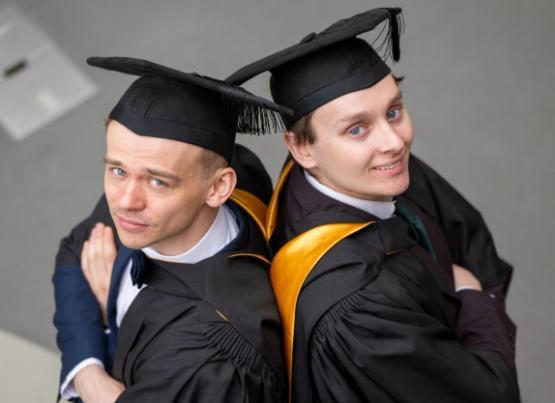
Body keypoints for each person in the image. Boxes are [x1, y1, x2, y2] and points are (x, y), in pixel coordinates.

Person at [226, 7, 520, 402]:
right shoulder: (358, 306)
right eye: (357, 128)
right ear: (301, 147)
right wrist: (474, 298)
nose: (394, 141)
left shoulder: (357, 170)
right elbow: (488, 394)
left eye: (394, 111)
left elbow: (466, 230)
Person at [52, 56, 288, 402]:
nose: (125, 201)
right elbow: (73, 253)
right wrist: (88, 370)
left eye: (158, 182)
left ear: (219, 187)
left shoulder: (214, 360)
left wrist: (110, 322)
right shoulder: (143, 204)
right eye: (117, 170)